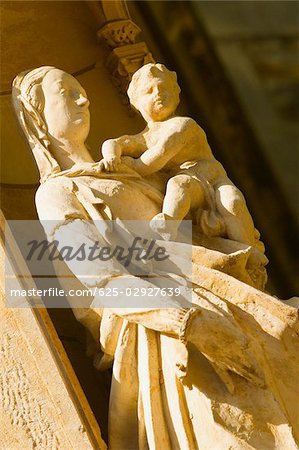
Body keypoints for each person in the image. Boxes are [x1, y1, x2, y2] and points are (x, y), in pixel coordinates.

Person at [12, 66, 298, 450]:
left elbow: (195, 228)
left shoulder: (135, 169)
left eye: (83, 89)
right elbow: (104, 280)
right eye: (68, 92)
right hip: (165, 331)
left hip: (221, 293)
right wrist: (189, 323)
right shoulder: (57, 194)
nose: (85, 98)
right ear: (39, 117)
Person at [100, 63, 264, 255]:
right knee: (179, 185)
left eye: (163, 88)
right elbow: (115, 142)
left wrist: (129, 165)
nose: (158, 94)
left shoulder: (182, 126)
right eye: (149, 91)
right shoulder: (145, 137)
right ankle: (167, 225)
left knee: (232, 202)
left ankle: (251, 252)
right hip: (189, 183)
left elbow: (151, 162)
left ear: (176, 93)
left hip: (212, 179)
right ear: (136, 103)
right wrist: (111, 156)